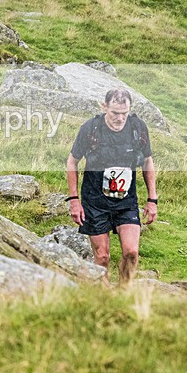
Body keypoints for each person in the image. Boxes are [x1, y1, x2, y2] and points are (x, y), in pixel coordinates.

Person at [66, 88, 158, 284]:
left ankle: (124, 292)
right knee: (102, 257)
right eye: (115, 113)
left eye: (124, 113)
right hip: (94, 201)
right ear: (104, 106)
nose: (120, 118)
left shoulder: (138, 128)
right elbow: (72, 161)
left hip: (126, 201)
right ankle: (103, 297)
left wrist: (152, 199)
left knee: (131, 252)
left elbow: (148, 161)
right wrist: (74, 200)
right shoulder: (91, 129)